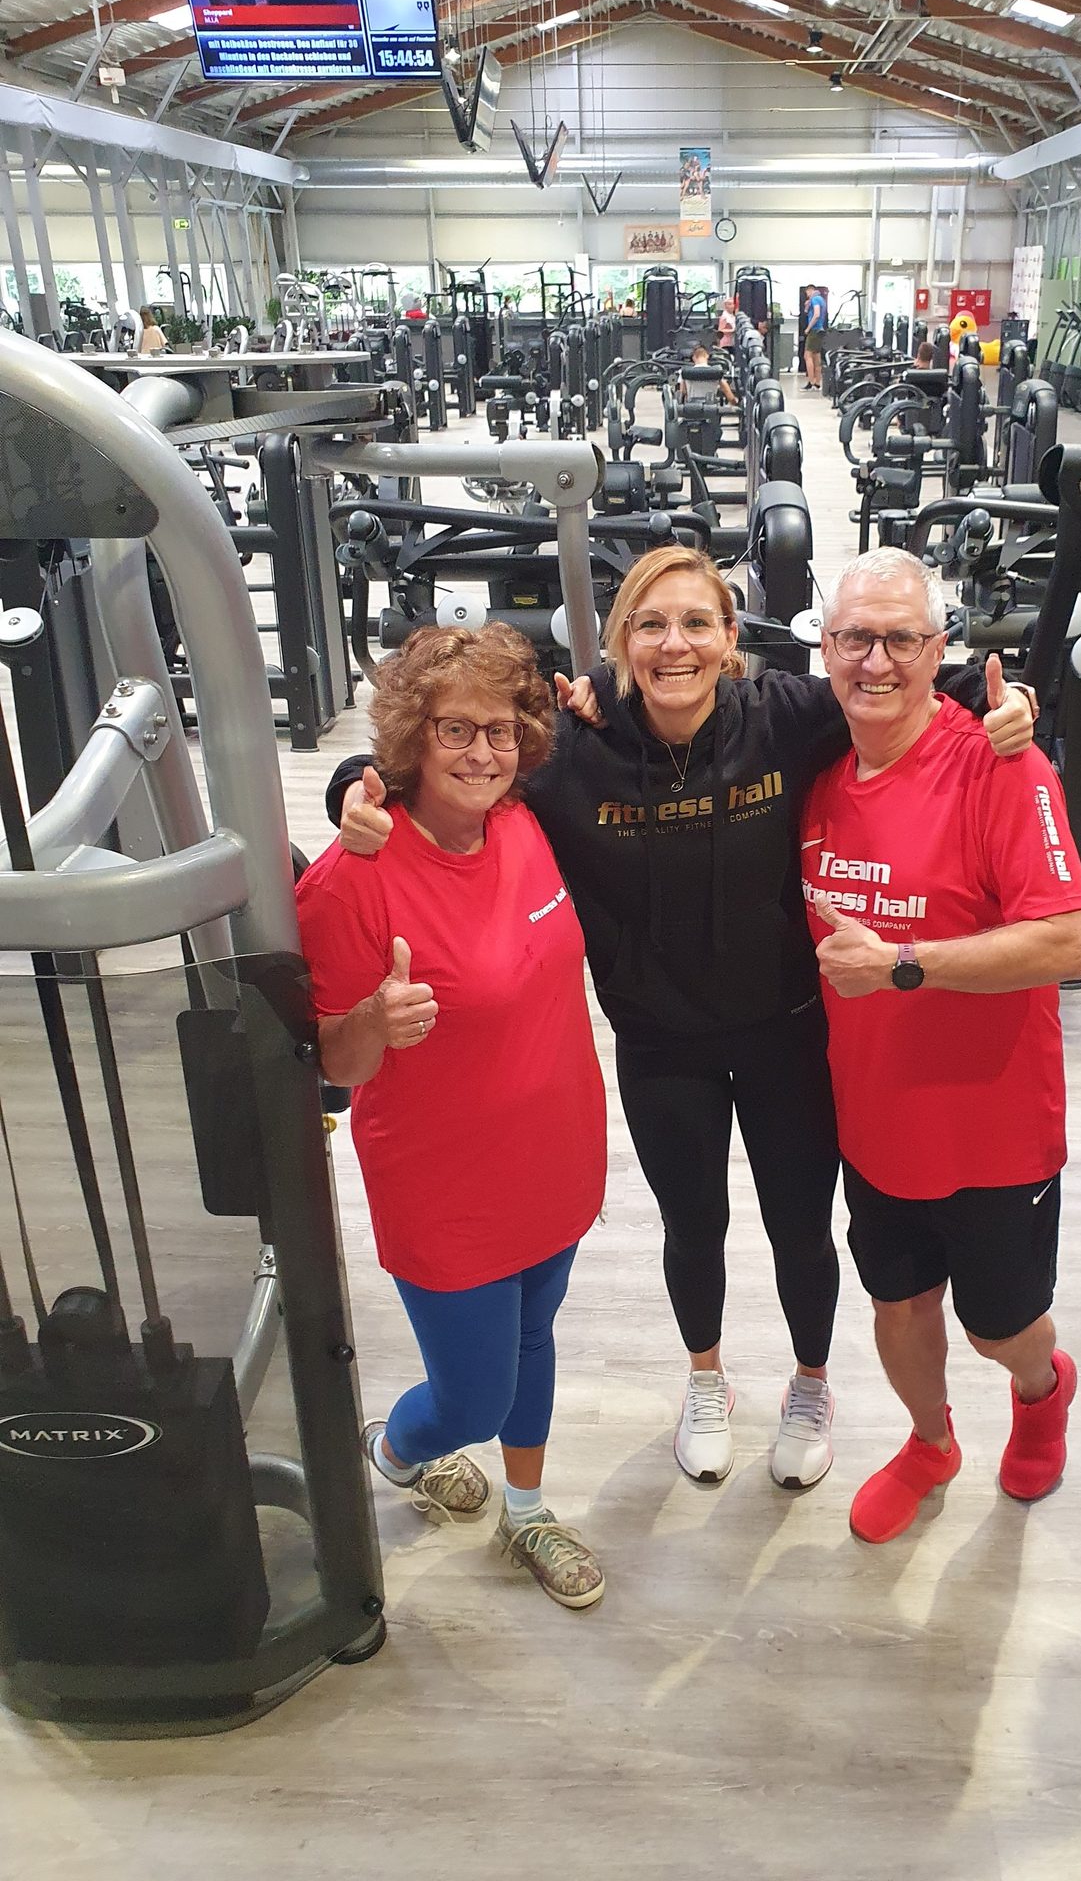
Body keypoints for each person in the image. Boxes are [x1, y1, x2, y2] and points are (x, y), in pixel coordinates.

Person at [328, 547, 1038, 1495]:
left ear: (731, 640)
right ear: (620, 643)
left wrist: (1009, 697)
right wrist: (350, 784)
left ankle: (811, 1383)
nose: (676, 644)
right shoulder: (575, 749)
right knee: (691, 1223)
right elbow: (441, 763)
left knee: (799, 1225)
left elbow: (891, 677)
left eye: (698, 623)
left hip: (785, 1028)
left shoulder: (786, 717)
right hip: (662, 1043)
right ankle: (705, 1379)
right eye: (652, 625)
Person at [297, 624, 607, 1610]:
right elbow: (332, 1064)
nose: (483, 752)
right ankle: (394, 1447)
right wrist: (372, 1023)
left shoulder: (523, 821)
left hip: (555, 1160)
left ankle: (527, 1511)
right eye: (455, 731)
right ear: (409, 740)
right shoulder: (355, 879)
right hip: (446, 1188)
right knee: (474, 1395)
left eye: (502, 729)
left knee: (533, 1341)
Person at [800, 547, 1081, 1545]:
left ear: (938, 650)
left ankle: (1042, 1387)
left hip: (994, 1129)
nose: (873, 661)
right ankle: (931, 1443)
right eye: (853, 638)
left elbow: (1069, 940)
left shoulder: (1004, 765)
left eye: (898, 639)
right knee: (898, 1306)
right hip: (876, 1120)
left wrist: (904, 965)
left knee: (996, 1326)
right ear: (824, 647)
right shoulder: (817, 776)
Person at [682, 341, 738, 407]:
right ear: (707, 356)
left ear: (693, 357)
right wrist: (735, 402)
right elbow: (729, 395)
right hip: (711, 409)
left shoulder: (685, 372)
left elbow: (683, 393)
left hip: (692, 408)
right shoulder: (716, 371)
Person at [802, 285, 828, 391]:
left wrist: (808, 328)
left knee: (807, 356)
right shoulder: (821, 299)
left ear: (810, 290)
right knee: (817, 357)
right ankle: (817, 382)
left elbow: (816, 314)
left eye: (807, 293)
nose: (807, 296)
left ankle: (811, 382)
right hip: (821, 330)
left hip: (814, 330)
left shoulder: (815, 299)